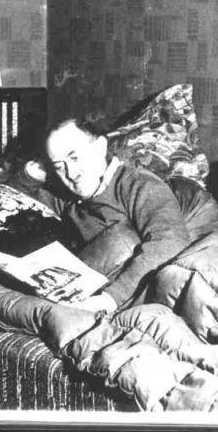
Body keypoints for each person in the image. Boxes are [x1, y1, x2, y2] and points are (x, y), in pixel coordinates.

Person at [42, 118, 194, 313]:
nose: (70, 173)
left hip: (128, 301)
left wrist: (110, 299)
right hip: (79, 292)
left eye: (75, 157)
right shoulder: (69, 197)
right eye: (59, 166)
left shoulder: (138, 184)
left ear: (100, 147)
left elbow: (171, 241)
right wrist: (27, 177)